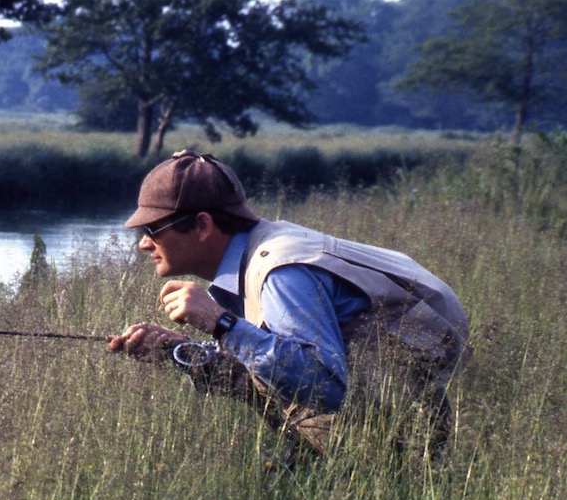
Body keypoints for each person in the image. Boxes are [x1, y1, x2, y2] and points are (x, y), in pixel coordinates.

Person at [108, 150, 470, 458]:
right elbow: (258, 360)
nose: (143, 243)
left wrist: (219, 323)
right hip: (389, 408)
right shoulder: (254, 254)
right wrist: (180, 350)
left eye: (151, 230)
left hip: (405, 433)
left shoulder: (281, 272)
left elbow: (326, 386)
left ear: (202, 226)